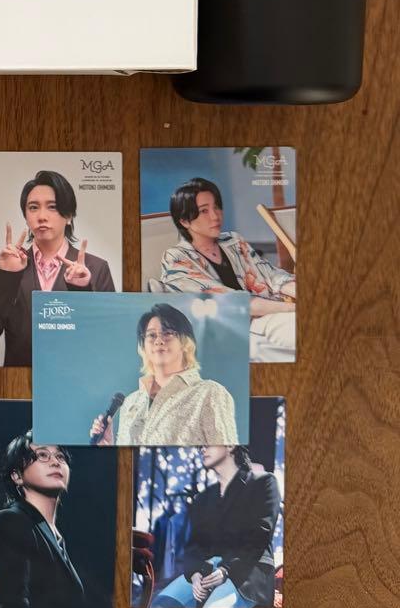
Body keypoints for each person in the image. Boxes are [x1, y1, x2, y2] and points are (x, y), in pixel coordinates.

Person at [0, 170, 116, 366]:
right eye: (33, 207)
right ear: (25, 216)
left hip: (75, 378)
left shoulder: (96, 268)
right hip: (21, 380)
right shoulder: (11, 265)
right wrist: (5, 278)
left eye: (52, 207)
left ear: (69, 215)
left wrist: (82, 289)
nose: (41, 216)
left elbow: (108, 339)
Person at [157, 178, 295, 361]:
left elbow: (271, 275)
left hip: (270, 312)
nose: (215, 216)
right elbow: (232, 302)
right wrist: (291, 308)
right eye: (204, 211)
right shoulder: (176, 258)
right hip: (234, 328)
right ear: (184, 221)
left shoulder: (233, 241)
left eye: (217, 207)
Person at [150, 445, 281, 608]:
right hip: (207, 571)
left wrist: (226, 570)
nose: (202, 449)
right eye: (200, 446)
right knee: (160, 606)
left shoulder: (264, 482)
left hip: (246, 573)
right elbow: (195, 545)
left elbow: (259, 536)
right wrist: (195, 573)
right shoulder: (204, 497)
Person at [90, 303, 238, 446]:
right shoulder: (131, 402)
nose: (159, 341)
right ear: (143, 346)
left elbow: (227, 456)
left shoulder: (209, 393)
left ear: (185, 342)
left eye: (167, 333)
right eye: (151, 335)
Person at [0, 434, 86, 608]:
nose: (55, 462)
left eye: (60, 456)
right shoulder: (9, 522)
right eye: (42, 455)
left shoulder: (55, 538)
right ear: (17, 476)